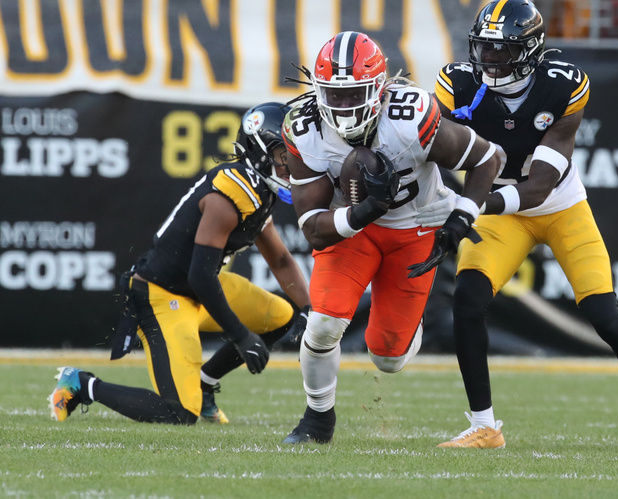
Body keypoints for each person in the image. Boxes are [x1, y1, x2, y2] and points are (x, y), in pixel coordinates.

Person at [418, 0, 618, 453]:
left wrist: (470, 208)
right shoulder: (457, 83)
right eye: (485, 47)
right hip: (500, 212)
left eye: (502, 49)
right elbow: (431, 148)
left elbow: (539, 185)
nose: (490, 58)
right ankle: (485, 426)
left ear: (531, 49)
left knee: (606, 316)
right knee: (467, 301)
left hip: (558, 207)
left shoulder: (561, 85)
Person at [280, 31, 500, 444]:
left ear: (379, 88)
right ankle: (317, 418)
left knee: (388, 358)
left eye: (353, 94)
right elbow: (312, 226)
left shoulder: (410, 116)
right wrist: (364, 211)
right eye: (333, 94)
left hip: (414, 231)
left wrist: (462, 216)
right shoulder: (304, 127)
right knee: (324, 323)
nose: (343, 107)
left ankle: (403, 329)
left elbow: (489, 157)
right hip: (351, 231)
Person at [49, 102, 311, 425]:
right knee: (178, 413)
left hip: (201, 287)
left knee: (283, 317)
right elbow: (200, 275)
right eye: (284, 156)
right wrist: (242, 337)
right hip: (164, 294)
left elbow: (281, 259)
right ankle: (82, 385)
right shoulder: (229, 195)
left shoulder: (262, 192)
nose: (292, 164)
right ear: (259, 152)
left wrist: (310, 312)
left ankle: (206, 385)